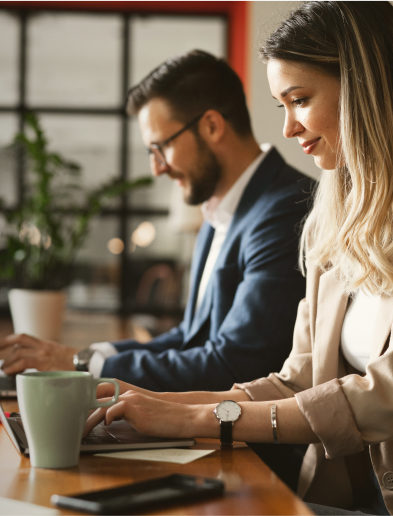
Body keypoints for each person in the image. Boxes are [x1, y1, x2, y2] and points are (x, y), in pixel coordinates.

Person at [83, 2, 393, 514]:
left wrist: (198, 420)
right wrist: (160, 404)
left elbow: (381, 395)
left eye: (300, 100)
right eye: (281, 106)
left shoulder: (282, 209)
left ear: (367, 89)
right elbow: (297, 376)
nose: (290, 129)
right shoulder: (332, 218)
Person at [0, 51, 313, 393]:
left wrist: (80, 364)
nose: (157, 168)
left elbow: (233, 364)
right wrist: (84, 356)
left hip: (247, 443)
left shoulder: (287, 209)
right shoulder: (217, 211)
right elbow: (190, 338)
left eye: (160, 147)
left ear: (212, 126)